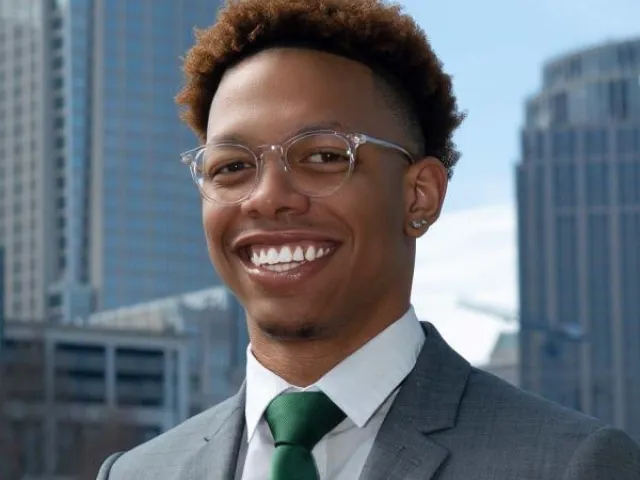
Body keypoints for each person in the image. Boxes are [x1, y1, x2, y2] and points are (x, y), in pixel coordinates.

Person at [97, 0, 640, 479]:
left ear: (419, 196)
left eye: (324, 156)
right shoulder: (135, 473)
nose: (266, 197)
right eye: (232, 166)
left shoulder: (570, 465)